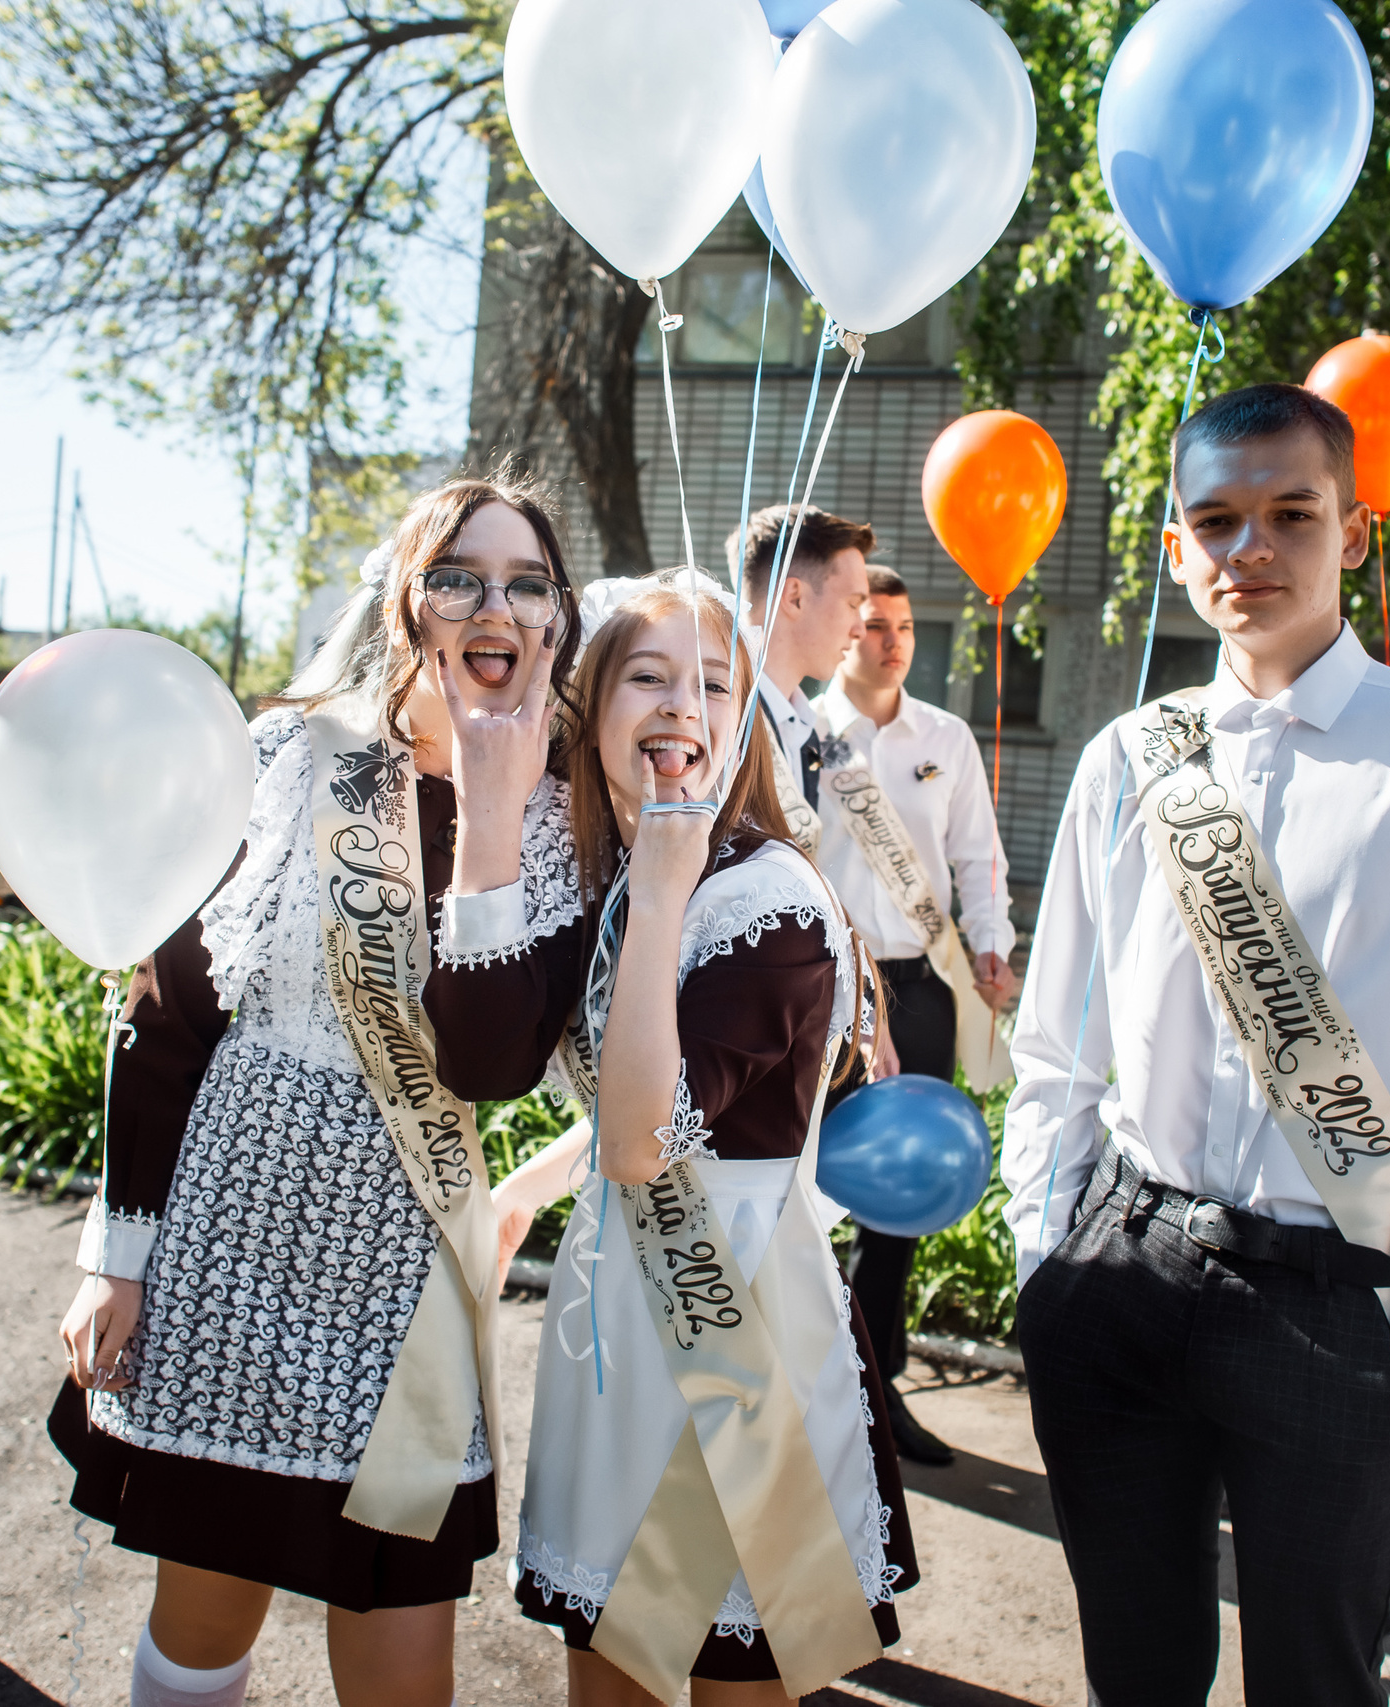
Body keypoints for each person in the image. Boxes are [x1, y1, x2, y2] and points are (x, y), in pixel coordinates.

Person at [1001, 384, 1390, 1706]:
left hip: (1337, 1305)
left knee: (1317, 1681)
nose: (1252, 548)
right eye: (1218, 519)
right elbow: (1057, 1052)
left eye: (1290, 514)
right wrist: (1047, 1262)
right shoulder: (1131, 758)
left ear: (1355, 533)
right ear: (1174, 549)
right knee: (1135, 1672)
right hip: (1123, 1275)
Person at [50, 477, 588, 1707]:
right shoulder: (292, 756)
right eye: (457, 574)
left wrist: (496, 813)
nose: (491, 605)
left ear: (554, 621)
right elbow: (170, 1011)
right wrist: (114, 1254)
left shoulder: (563, 815)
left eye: (525, 582)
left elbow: (492, 1065)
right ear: (406, 599)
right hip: (232, 1232)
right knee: (205, 1607)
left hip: (403, 1257)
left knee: (394, 1611)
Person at [430, 571, 917, 1707]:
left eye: (712, 683)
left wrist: (657, 906)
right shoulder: (621, 880)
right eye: (646, 676)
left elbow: (648, 1140)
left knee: (721, 1664)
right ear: (591, 706)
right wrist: (531, 1186)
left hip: (735, 1327)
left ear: (746, 719)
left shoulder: (768, 901)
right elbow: (598, 1096)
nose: (680, 707)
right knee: (610, 1670)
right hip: (618, 1323)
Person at [814, 565, 1020, 1465]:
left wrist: (991, 941)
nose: (891, 639)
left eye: (902, 625)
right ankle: (814, 1377)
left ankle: (879, 1385)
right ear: (844, 631)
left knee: (896, 1207)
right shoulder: (809, 734)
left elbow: (978, 856)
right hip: (831, 991)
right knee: (816, 1190)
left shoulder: (948, 737)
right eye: (872, 623)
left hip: (925, 985)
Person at [724, 503, 872, 873]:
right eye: (853, 604)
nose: (860, 629)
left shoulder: (803, 726)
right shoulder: (719, 716)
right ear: (794, 597)